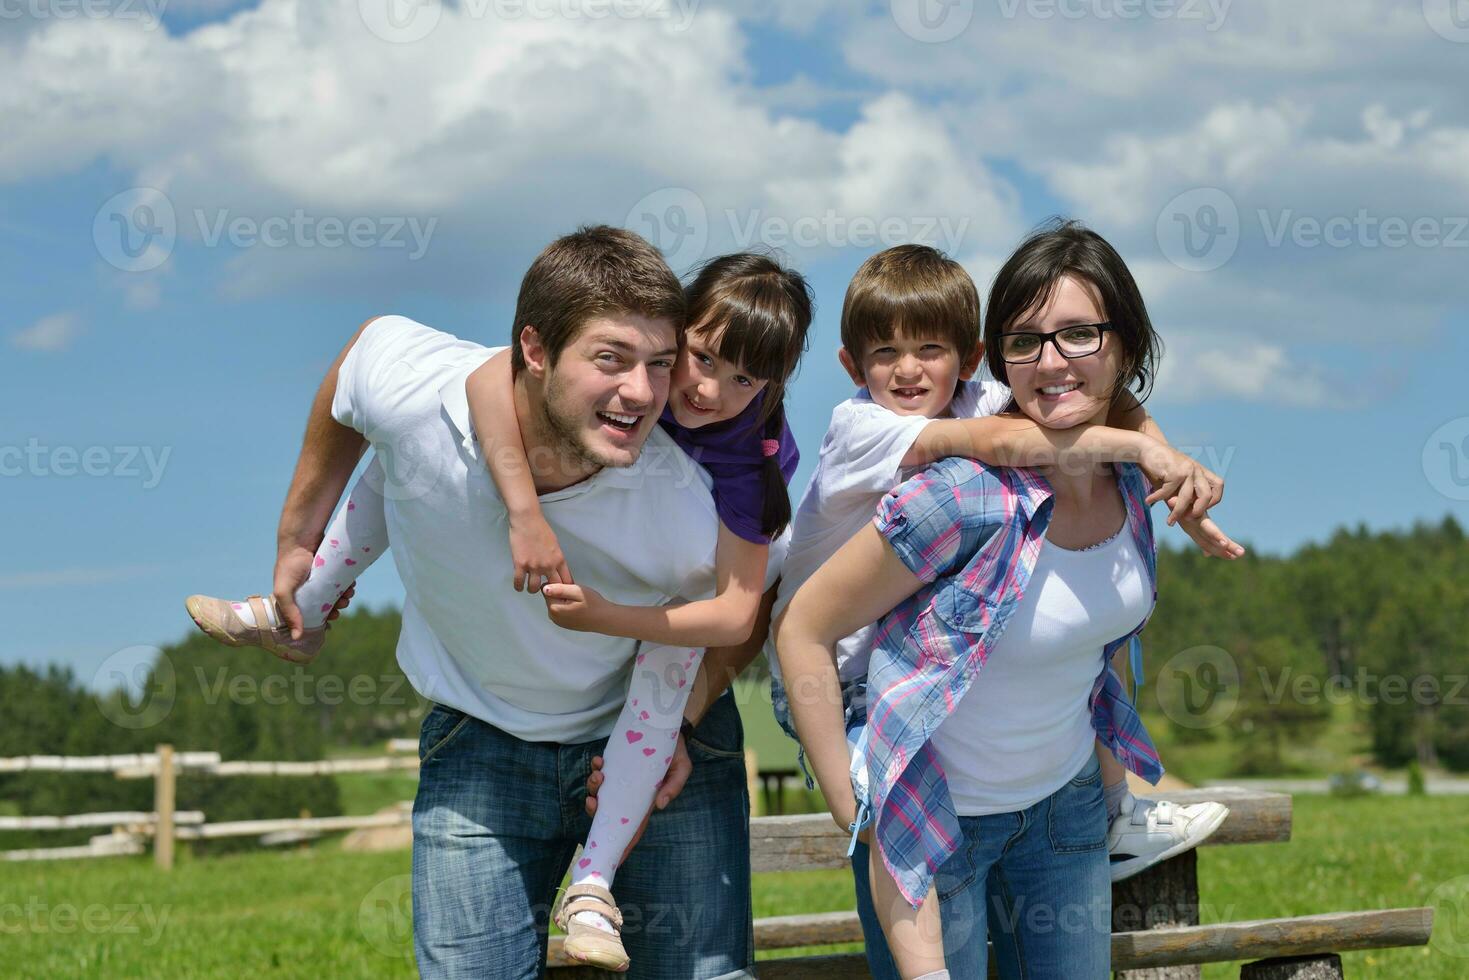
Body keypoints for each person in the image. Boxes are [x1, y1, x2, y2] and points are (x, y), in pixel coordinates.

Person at [191, 226, 773, 979]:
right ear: (535, 350)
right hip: (478, 741)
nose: (642, 391)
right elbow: (357, 364)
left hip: (654, 759)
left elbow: (747, 611)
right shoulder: (425, 398)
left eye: (660, 364)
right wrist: (297, 533)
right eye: (610, 358)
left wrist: (686, 715)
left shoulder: (695, 501)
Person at [776, 221, 1238, 979]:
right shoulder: (951, 481)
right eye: (1026, 340)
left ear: (1124, 345)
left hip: (1065, 811)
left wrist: (1161, 456)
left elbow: (1098, 638)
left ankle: (1125, 812)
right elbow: (802, 628)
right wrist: (845, 803)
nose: (1050, 361)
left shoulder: (1124, 486)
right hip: (931, 811)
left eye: (1078, 334)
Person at [466, 251, 812, 970]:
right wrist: (524, 513)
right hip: (625, 616)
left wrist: (605, 615)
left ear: (771, 385)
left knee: (663, 683)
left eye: (744, 377)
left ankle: (592, 884)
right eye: (701, 357)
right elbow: (484, 378)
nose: (709, 390)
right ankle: (309, 590)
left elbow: (732, 617)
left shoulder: (749, 461)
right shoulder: (634, 390)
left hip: (696, 606)